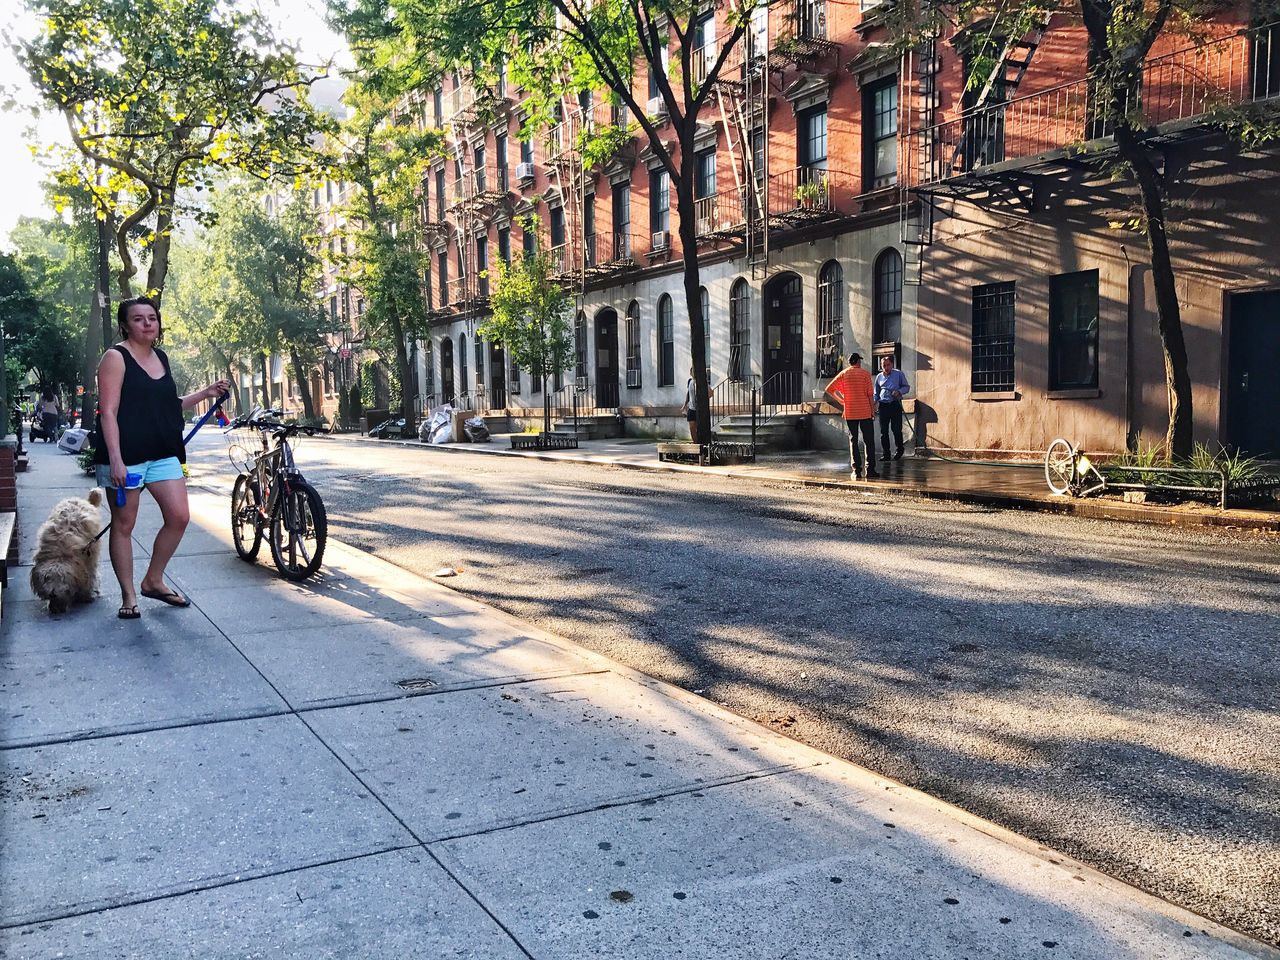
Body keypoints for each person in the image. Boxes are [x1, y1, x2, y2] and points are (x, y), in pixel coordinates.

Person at [94, 296, 230, 619]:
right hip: (125, 456)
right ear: (125, 325)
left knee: (179, 516)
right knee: (124, 524)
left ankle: (153, 579)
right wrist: (115, 459)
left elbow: (168, 403)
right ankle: (129, 597)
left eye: (152, 317)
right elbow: (108, 413)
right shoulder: (115, 358)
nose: (147, 323)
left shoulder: (162, 358)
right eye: (138, 318)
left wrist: (205, 393)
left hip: (161, 453)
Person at [824, 352, 877, 480]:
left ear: (849, 362)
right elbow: (870, 394)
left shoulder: (844, 374)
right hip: (865, 411)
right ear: (858, 361)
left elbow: (829, 389)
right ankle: (870, 469)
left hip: (851, 412)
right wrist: (873, 410)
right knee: (868, 440)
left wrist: (842, 401)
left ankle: (856, 470)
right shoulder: (865, 374)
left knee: (853, 440)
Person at [874, 355, 910, 462]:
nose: (886, 367)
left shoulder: (898, 374)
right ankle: (886, 454)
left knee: (896, 430)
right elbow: (876, 391)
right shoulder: (879, 377)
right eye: (884, 365)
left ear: (892, 364)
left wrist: (899, 391)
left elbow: (906, 387)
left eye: (888, 365)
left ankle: (899, 450)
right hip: (883, 406)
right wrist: (874, 402)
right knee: (883, 432)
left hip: (895, 404)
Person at [681, 366, 707, 443]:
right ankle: (695, 443)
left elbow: (710, 392)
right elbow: (688, 393)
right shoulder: (690, 381)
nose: (693, 373)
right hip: (691, 408)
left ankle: (701, 443)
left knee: (699, 428)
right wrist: (684, 405)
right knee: (692, 427)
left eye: (695, 372)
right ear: (690, 373)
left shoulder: (701, 381)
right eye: (692, 372)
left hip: (699, 409)